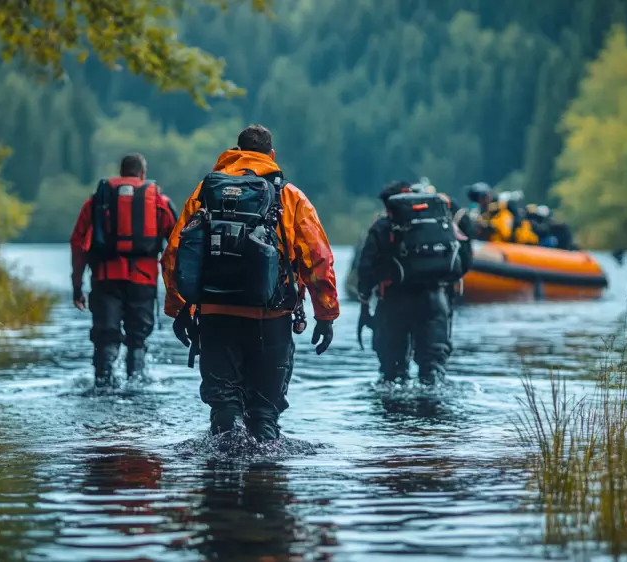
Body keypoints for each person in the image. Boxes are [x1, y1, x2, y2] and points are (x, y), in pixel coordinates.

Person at [161, 125, 339, 442]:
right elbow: (318, 259)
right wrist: (325, 315)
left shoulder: (205, 193)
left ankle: (219, 481)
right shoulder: (289, 196)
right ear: (271, 156)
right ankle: (267, 481)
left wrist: (180, 310)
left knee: (224, 409)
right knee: (264, 414)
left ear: (234, 151)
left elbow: (174, 253)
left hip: (216, 316)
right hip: (270, 318)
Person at [69, 153, 178, 383]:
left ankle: (103, 383)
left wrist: (77, 285)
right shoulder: (160, 201)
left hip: (105, 278)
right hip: (144, 280)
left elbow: (78, 242)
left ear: (122, 172)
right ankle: (136, 382)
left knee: (105, 337)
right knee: (137, 338)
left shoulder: (99, 199)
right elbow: (178, 244)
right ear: (143, 173)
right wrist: (176, 289)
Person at [356, 181, 471, 385]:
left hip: (394, 302)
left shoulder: (383, 225)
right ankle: (431, 410)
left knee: (393, 375)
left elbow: (366, 267)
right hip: (436, 299)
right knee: (433, 372)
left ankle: (395, 413)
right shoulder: (441, 222)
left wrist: (365, 299)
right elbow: (465, 260)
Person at [465, 183, 539, 245]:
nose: (479, 202)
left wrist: (491, 227)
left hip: (519, 242)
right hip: (498, 245)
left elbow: (506, 231)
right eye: (476, 199)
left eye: (480, 198)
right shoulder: (483, 214)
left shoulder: (503, 207)